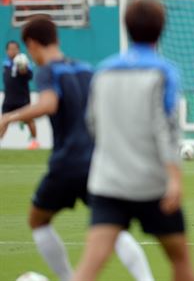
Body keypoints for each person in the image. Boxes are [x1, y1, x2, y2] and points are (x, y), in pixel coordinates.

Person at [0, 15, 154, 281]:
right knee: (113, 227)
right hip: (98, 159)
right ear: (57, 39)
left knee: (37, 220)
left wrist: (9, 117)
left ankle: (68, 277)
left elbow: (48, 104)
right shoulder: (86, 69)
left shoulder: (48, 71)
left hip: (67, 161)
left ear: (34, 44)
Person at [73, 0, 194, 281]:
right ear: (162, 29)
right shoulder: (164, 72)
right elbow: (165, 130)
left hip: (108, 183)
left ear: (126, 27)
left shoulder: (102, 70)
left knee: (89, 267)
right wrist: (175, 179)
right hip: (152, 185)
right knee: (180, 261)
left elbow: (92, 124)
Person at [2, 40, 39, 149]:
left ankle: (34, 142)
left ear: (18, 50)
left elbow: (29, 75)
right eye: (10, 49)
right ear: (7, 51)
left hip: (22, 98)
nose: (12, 51)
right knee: (4, 121)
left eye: (14, 49)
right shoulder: (6, 63)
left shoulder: (23, 61)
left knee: (29, 119)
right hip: (8, 98)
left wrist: (24, 70)